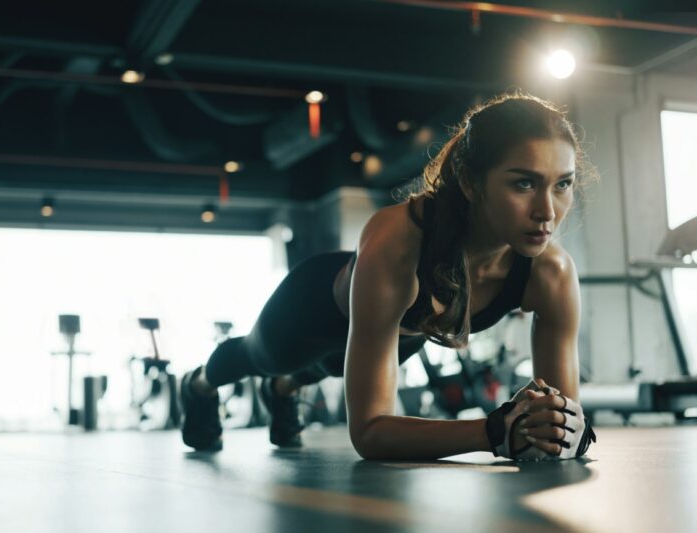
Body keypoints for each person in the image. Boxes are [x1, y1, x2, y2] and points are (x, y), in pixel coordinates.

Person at [179, 91, 598, 461]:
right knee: (259, 358)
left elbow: (563, 418)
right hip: (312, 310)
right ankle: (198, 384)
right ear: (471, 182)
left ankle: (286, 390)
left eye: (562, 185)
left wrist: (561, 429)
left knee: (328, 369)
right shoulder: (397, 243)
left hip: (402, 335)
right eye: (524, 183)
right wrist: (493, 431)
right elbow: (369, 433)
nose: (547, 211)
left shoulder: (551, 273)